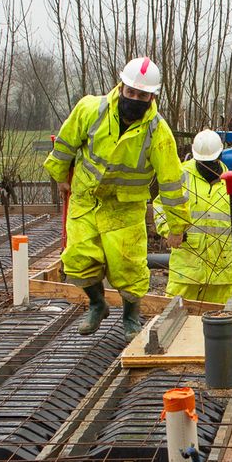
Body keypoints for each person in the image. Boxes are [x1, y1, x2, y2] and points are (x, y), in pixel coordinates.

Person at [45, 56, 190, 338]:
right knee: (77, 258)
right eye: (131, 92)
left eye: (142, 95)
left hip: (126, 209)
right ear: (121, 87)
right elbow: (65, 144)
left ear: (152, 97)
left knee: (129, 266)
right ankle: (97, 304)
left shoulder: (158, 133)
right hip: (86, 200)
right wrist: (60, 175)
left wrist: (177, 227)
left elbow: (172, 183)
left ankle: (130, 315)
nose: (135, 98)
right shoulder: (90, 109)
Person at [153, 129, 232, 304]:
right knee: (174, 317)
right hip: (186, 268)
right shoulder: (180, 176)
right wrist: (170, 230)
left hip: (222, 269)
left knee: (217, 321)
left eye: (211, 161)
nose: (207, 165)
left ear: (220, 156)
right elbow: (160, 206)